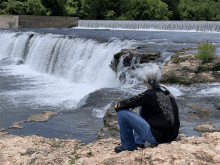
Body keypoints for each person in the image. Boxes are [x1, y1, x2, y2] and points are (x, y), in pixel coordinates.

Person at [114, 63, 180, 153]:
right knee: (143, 107)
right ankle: (139, 143)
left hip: (159, 137)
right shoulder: (165, 90)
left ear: (144, 80)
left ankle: (128, 146)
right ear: (158, 78)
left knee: (122, 114)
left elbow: (120, 106)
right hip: (172, 135)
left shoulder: (147, 95)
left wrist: (119, 105)